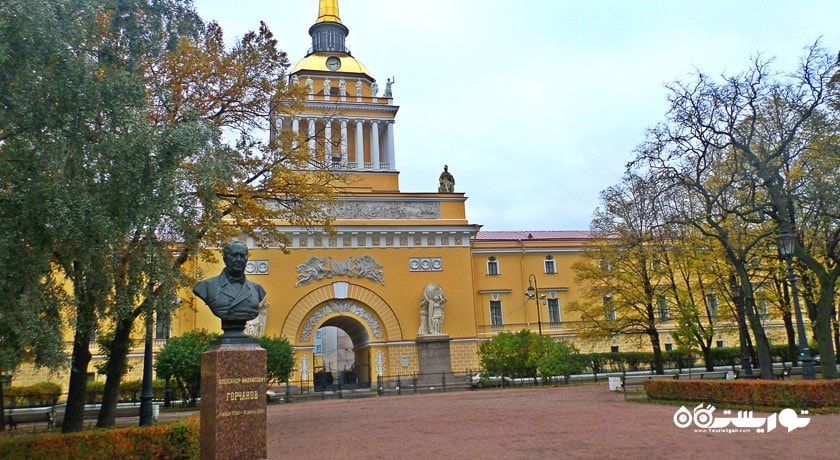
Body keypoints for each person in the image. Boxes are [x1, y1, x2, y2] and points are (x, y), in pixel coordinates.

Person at [193, 241, 266, 323]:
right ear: (225, 259)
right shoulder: (206, 287)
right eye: (234, 255)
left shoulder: (257, 289)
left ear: (246, 259)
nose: (239, 259)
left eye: (242, 256)